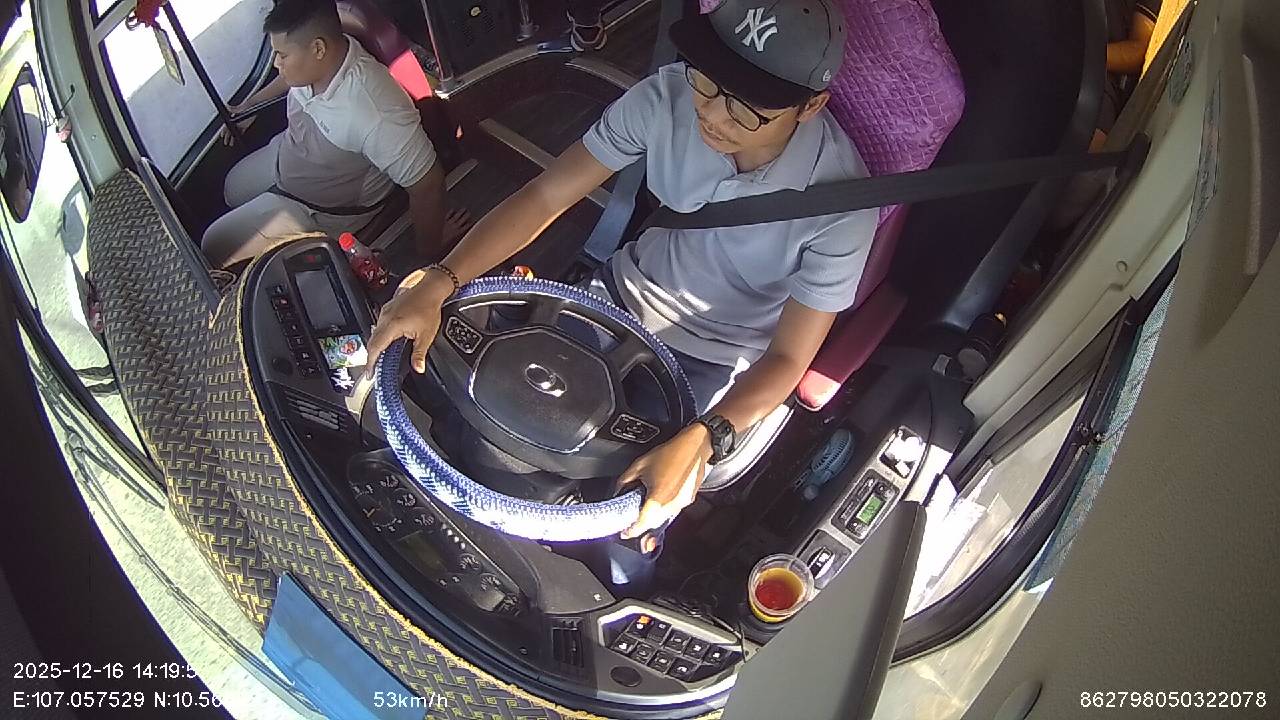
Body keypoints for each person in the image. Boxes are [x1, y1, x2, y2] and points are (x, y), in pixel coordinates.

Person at [368, 0, 872, 585]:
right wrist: (441, 278)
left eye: (747, 107)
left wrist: (704, 438)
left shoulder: (842, 208)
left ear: (810, 106)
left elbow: (788, 358)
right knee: (486, 420)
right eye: (708, 79)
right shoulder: (669, 96)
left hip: (714, 358)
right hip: (617, 298)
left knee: (629, 533)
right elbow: (546, 196)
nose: (713, 113)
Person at [201, 0, 463, 270]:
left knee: (215, 247)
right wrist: (251, 105)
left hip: (319, 207)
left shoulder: (373, 111)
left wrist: (429, 247)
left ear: (318, 49)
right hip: (287, 155)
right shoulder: (316, 64)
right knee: (231, 188)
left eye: (282, 55)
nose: (277, 64)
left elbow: (427, 183)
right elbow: (288, 77)